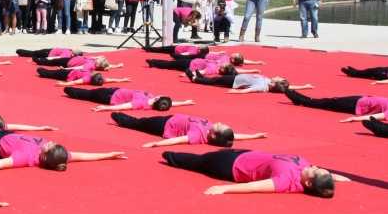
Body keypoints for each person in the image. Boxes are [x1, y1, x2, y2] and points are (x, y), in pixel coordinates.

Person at [0, 128, 126, 175]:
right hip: (6, 134)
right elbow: (83, 156)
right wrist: (108, 154)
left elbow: (0, 164)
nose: (48, 143)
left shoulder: (27, 157)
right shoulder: (59, 153)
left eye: (49, 146)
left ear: (44, 155)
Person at [161, 149, 349, 197]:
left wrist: (224, 189)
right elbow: (323, 178)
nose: (315, 167)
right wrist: (335, 177)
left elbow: (254, 187)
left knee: (198, 161)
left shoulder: (287, 181)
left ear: (308, 183)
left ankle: (170, 157)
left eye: (316, 171)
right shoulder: (306, 170)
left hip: (230, 166)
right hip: (247, 154)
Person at [110, 112, 267, 148]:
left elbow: (179, 140)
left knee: (139, 123)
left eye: (219, 125)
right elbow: (236, 136)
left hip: (164, 125)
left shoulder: (198, 135)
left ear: (213, 134)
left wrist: (155, 144)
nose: (218, 122)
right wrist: (254, 136)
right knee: (142, 121)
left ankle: (119, 118)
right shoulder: (211, 131)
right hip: (172, 118)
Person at [284, 90, 387, 123]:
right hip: (361, 99)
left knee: (328, 103)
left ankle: (301, 101)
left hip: (356, 105)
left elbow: (375, 117)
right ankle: (304, 99)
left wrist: (354, 119)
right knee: (330, 101)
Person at [63, 86, 195, 112]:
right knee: (89, 93)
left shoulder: (141, 103)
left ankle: (69, 90)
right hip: (116, 90)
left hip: (110, 97)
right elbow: (171, 104)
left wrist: (106, 108)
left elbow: (124, 107)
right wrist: (184, 103)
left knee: (88, 94)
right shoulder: (153, 99)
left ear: (157, 99)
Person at [186, 71, 312, 94]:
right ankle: (201, 77)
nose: (278, 76)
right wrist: (305, 86)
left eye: (279, 78)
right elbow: (289, 87)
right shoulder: (268, 81)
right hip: (238, 77)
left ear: (275, 84)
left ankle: (196, 79)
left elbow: (248, 90)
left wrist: (234, 92)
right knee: (216, 79)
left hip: (235, 82)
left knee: (215, 81)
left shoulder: (262, 86)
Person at [145, 58, 258, 76]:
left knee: (170, 65)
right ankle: (154, 62)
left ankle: (153, 62)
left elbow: (201, 72)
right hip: (193, 60)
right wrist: (254, 68)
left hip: (189, 64)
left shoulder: (213, 69)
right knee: (170, 64)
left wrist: (186, 73)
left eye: (225, 65)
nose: (225, 63)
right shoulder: (219, 65)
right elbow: (238, 70)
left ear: (223, 69)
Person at [36, 68, 131, 87]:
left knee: (51, 74)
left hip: (67, 74)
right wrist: (122, 80)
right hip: (71, 71)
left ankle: (41, 71)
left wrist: (64, 84)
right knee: (53, 73)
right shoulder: (100, 79)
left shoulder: (87, 79)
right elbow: (111, 80)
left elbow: (74, 83)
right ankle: (42, 71)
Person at [33, 54, 122, 71]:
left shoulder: (90, 65)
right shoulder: (94, 61)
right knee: (53, 61)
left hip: (68, 62)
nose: (98, 58)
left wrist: (66, 69)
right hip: (72, 59)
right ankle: (41, 59)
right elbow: (107, 65)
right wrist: (117, 66)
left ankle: (39, 61)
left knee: (53, 62)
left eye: (100, 60)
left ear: (99, 64)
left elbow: (78, 68)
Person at [16, 47, 82, 59]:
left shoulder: (68, 53)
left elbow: (58, 58)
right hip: (48, 52)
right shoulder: (69, 52)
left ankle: (19, 51)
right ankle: (20, 51)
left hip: (48, 52)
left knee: (33, 53)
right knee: (33, 53)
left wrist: (48, 58)